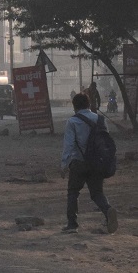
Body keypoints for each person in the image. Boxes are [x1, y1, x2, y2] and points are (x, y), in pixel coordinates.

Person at [60, 93, 117, 234]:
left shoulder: (72, 122)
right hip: (97, 163)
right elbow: (104, 142)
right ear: (89, 104)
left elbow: (69, 145)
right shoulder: (100, 119)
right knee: (97, 193)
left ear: (74, 106)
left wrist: (64, 165)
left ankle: (72, 224)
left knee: (73, 192)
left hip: (79, 163)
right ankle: (108, 210)